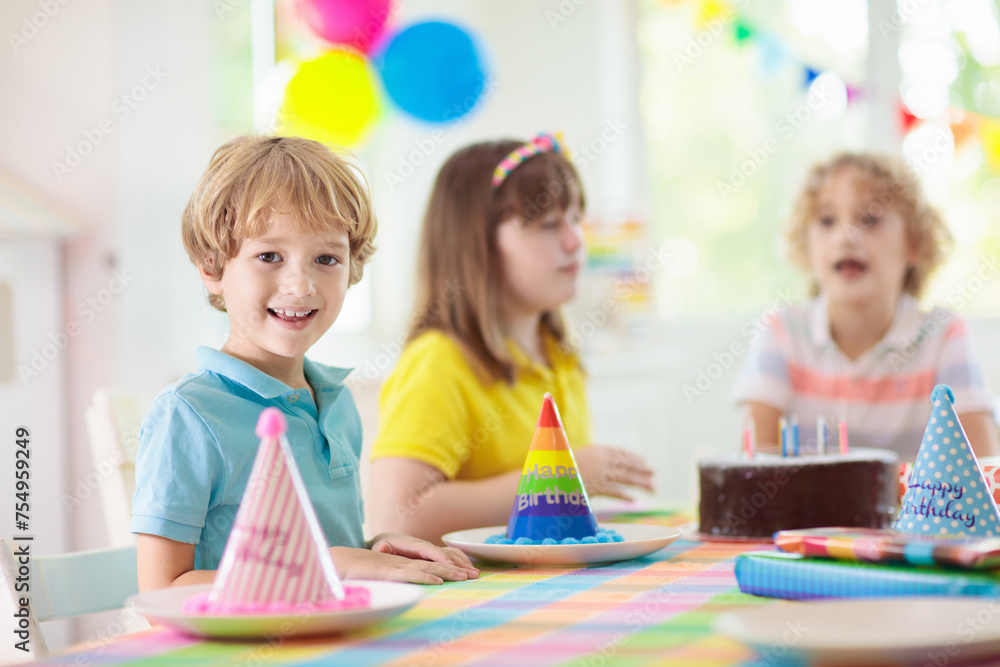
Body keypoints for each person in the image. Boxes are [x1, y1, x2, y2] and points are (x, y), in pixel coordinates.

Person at [132, 135, 478, 591]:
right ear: (212, 268)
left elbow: (325, 554)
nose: (300, 285)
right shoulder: (188, 414)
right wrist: (331, 565)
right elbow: (163, 591)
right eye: (269, 256)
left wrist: (375, 548)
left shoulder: (336, 404)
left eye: (326, 258)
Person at [368, 134, 654, 543]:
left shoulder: (559, 356)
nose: (575, 240)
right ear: (478, 245)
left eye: (575, 218)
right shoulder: (439, 361)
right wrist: (563, 479)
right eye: (548, 224)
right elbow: (396, 518)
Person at [733, 152, 999, 461]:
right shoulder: (781, 331)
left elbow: (982, 470)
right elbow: (753, 467)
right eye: (826, 220)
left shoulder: (942, 335)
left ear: (913, 242)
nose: (846, 236)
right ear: (806, 245)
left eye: (870, 219)